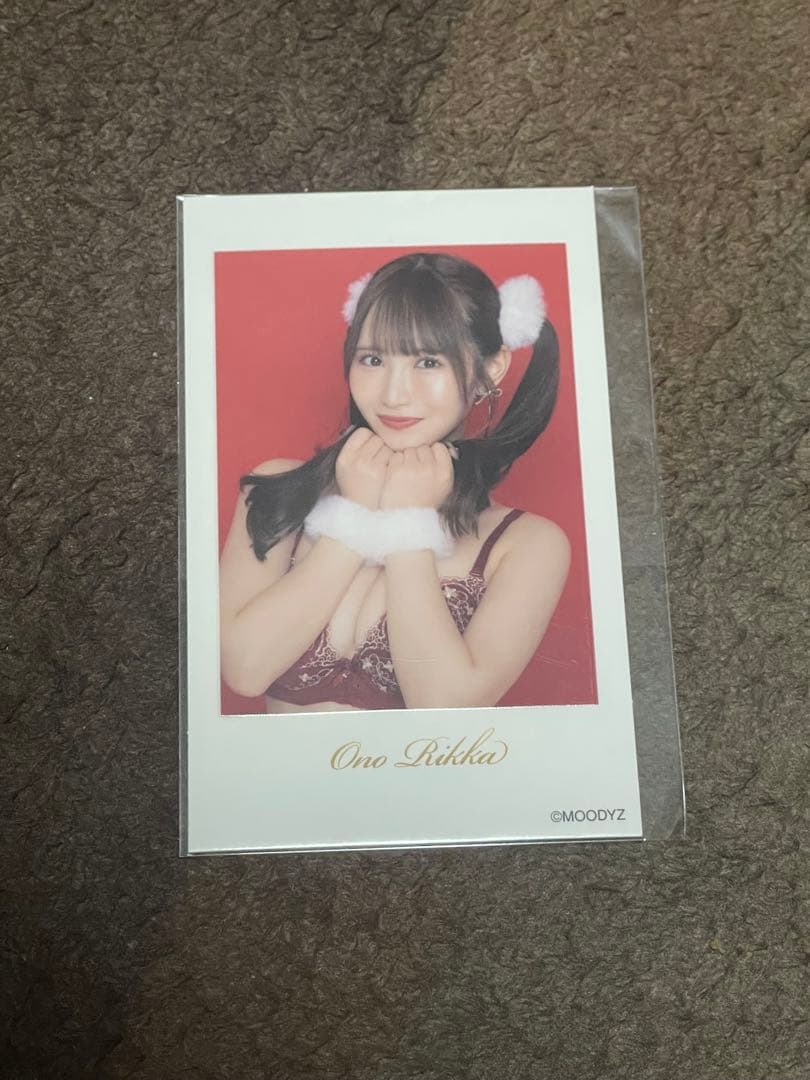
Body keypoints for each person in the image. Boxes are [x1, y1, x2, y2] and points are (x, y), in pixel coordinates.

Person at [219, 252, 571, 711]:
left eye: (428, 362)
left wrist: (410, 526)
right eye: (372, 359)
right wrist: (353, 518)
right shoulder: (278, 486)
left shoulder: (527, 544)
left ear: (490, 368)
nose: (393, 394)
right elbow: (245, 671)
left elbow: (443, 709)